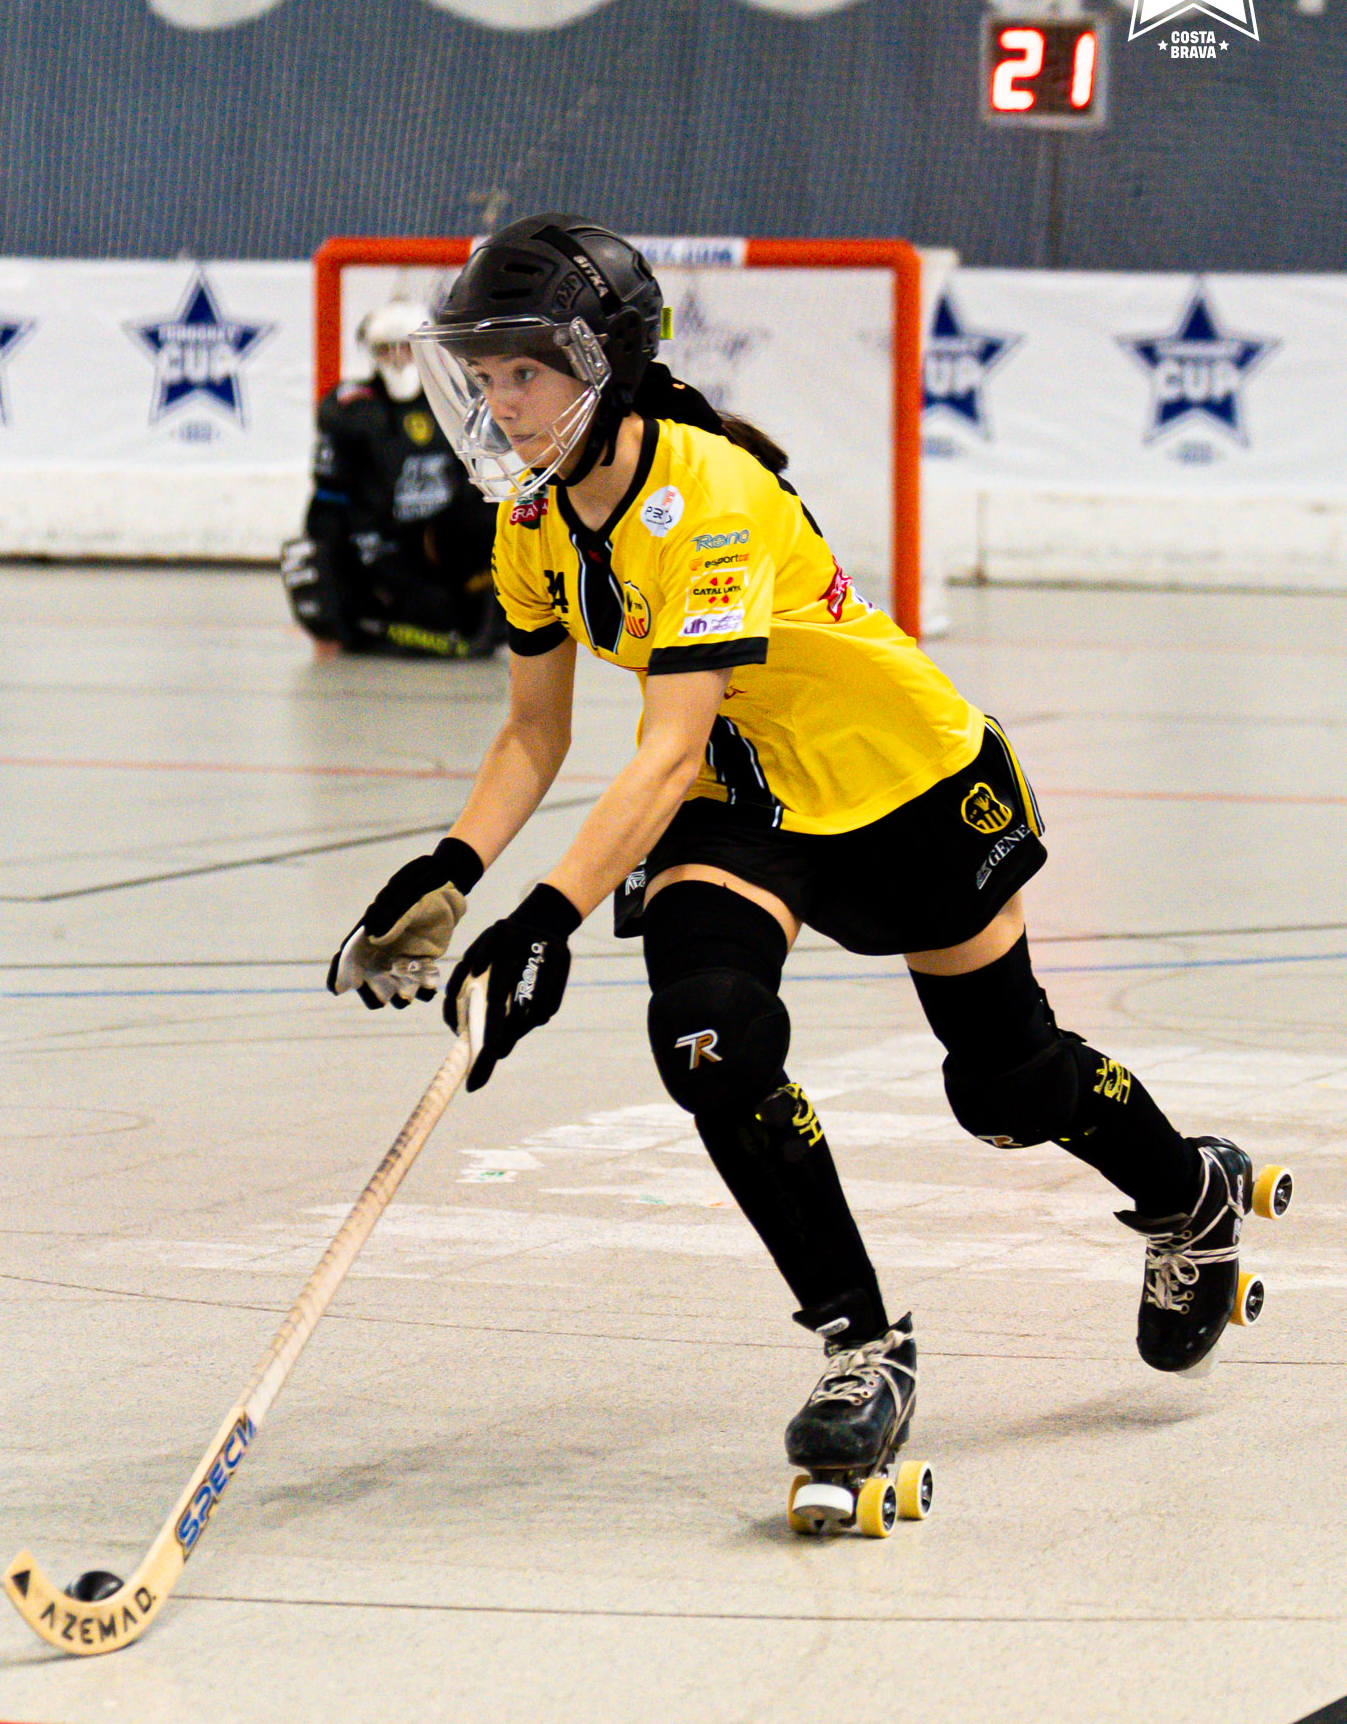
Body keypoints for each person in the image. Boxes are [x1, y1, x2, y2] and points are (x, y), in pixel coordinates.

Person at [325, 214, 1289, 1531]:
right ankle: (861, 1347)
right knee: (708, 1032)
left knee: (1007, 1089)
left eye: (526, 375)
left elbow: (663, 747)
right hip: (745, 800)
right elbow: (533, 735)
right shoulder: (532, 523)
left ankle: (1190, 1196)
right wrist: (447, 873)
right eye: (482, 378)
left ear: (606, 365)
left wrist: (545, 917)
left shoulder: (709, 498)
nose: (498, 407)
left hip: (904, 785)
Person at [281, 299, 504, 658]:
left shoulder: (455, 400)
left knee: (502, 525)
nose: (399, 360)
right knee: (432, 609)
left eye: (407, 348)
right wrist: (337, 582)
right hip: (381, 542)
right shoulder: (352, 408)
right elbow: (328, 500)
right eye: (387, 349)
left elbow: (476, 484)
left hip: (437, 538)